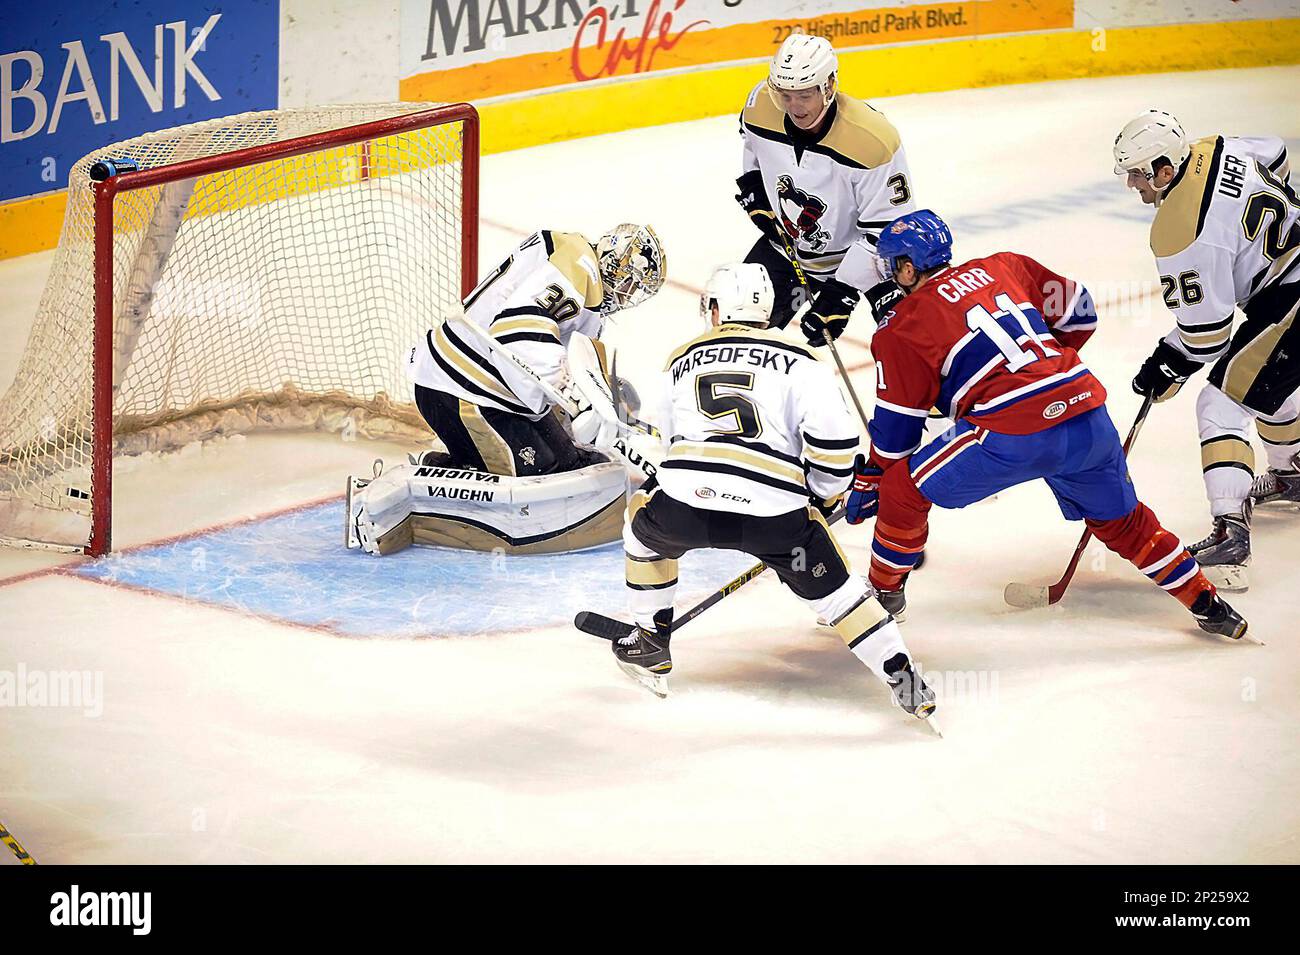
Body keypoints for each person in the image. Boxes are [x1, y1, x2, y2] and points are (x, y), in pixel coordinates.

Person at [844, 209, 1248, 641]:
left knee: (902, 492)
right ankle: (1206, 603)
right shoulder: (1003, 265)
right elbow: (1080, 311)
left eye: (892, 268)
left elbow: (895, 438)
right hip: (1085, 408)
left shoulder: (899, 329)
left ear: (907, 268)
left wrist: (872, 482)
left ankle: (884, 597)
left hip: (1009, 432)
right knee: (1124, 523)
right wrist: (1042, 371)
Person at [612, 262, 936, 722]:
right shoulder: (804, 362)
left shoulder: (681, 357)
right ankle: (905, 681)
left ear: (719, 308)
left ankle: (650, 640)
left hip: (685, 511)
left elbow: (664, 443)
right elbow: (838, 446)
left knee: (641, 534)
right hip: (776, 524)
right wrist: (823, 496)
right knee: (840, 595)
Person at [1114, 109, 1299, 591]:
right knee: (1262, 381)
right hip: (1288, 283)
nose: (1134, 184)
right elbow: (1275, 151)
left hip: (1291, 301)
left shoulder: (1179, 229)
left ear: (1164, 168)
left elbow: (1208, 335)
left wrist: (1164, 365)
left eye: (1138, 173)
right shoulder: (1217, 146)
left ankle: (1230, 534)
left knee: (1221, 402)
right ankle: (1291, 473)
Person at [405, 225, 665, 476]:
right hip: (459, 386)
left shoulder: (580, 271)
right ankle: (443, 474)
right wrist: (572, 394)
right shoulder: (580, 264)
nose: (627, 294)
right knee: (541, 474)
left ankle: (462, 463)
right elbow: (516, 328)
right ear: (616, 265)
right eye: (631, 283)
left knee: (576, 464)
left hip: (492, 387)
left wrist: (589, 404)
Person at [735, 33, 915, 348]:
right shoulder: (761, 106)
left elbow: (889, 232)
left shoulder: (872, 140)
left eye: (804, 95)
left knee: (913, 337)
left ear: (829, 86)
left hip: (872, 257)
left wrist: (841, 292)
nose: (794, 107)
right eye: (785, 96)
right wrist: (754, 188)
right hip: (791, 246)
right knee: (738, 328)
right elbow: (753, 147)